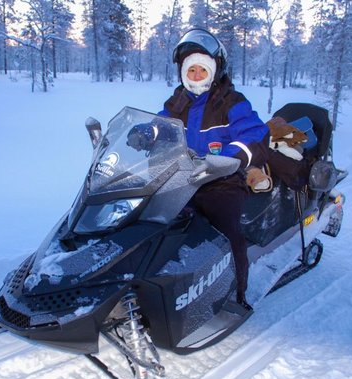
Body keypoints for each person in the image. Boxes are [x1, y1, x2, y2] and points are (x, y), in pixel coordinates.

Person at [130, 29, 309, 308]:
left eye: (203, 69)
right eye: (192, 70)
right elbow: (160, 124)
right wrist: (144, 133)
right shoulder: (177, 102)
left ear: (214, 71)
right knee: (153, 222)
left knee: (226, 232)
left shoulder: (231, 102)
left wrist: (231, 157)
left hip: (223, 180)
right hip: (183, 176)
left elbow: (254, 134)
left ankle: (235, 294)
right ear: (183, 73)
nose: (197, 75)